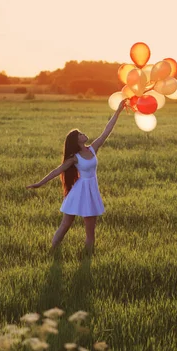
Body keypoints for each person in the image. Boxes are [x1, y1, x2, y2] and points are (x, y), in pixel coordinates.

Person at [27, 100, 126, 255]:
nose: (83, 134)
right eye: (79, 134)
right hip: (79, 192)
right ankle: (52, 252)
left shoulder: (93, 149)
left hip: (91, 192)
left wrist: (118, 111)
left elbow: (107, 130)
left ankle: (87, 258)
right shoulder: (75, 157)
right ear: (76, 140)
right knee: (66, 224)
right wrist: (39, 183)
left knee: (90, 230)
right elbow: (57, 171)